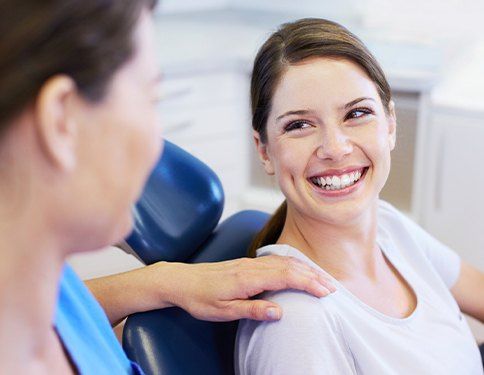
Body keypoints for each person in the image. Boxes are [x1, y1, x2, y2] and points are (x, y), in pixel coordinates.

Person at [0, 1, 338, 372]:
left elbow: (68, 311)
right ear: (61, 122)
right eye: (150, 100)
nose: (157, 147)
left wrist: (161, 283)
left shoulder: (44, 281)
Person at [235, 18, 484, 374]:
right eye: (299, 125)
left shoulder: (390, 227)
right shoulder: (297, 323)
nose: (335, 149)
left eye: (357, 113)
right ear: (264, 151)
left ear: (390, 125)